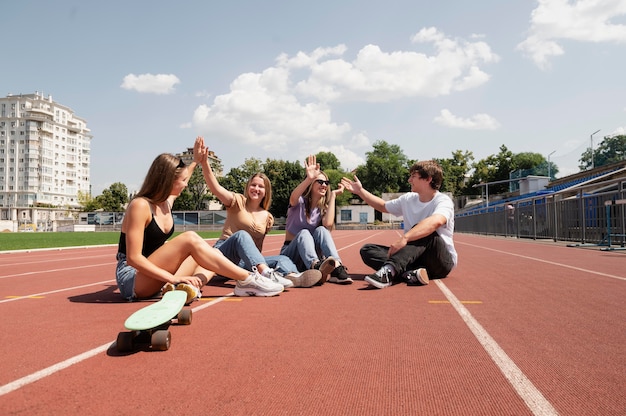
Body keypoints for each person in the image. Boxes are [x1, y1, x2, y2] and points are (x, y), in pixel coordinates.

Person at [115, 137, 284, 302]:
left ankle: (191, 288)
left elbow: (185, 175)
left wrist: (196, 161)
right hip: (132, 279)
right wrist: (172, 278)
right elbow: (133, 259)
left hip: (154, 274)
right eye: (182, 181)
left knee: (212, 254)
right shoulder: (140, 205)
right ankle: (248, 279)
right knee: (190, 238)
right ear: (168, 181)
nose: (186, 184)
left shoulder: (165, 203)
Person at [198, 137, 322, 288]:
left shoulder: (267, 217)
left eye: (260, 187)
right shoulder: (237, 201)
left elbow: (257, 247)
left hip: (245, 262)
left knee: (283, 260)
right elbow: (216, 188)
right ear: (248, 187)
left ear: (265, 192)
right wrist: (204, 163)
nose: (256, 189)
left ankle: (295, 277)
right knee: (242, 236)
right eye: (253, 185)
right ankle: (267, 275)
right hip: (224, 255)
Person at [340, 160, 457, 289]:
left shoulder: (443, 201)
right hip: (413, 258)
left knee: (422, 230)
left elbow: (436, 221)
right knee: (368, 250)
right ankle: (410, 273)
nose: (409, 180)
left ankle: (389, 271)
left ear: (428, 179)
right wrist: (361, 192)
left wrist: (405, 238)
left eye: (413, 176)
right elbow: (383, 206)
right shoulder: (408, 199)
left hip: (439, 261)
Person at [280, 154, 353, 284]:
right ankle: (315, 267)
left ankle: (337, 267)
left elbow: (328, 224)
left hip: (314, 255)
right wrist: (309, 178)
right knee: (304, 233)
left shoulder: (323, 209)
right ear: (311, 184)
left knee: (322, 230)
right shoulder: (299, 203)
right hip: (292, 255)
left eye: (326, 183)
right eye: (320, 181)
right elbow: (293, 197)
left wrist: (334, 196)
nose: (324, 185)